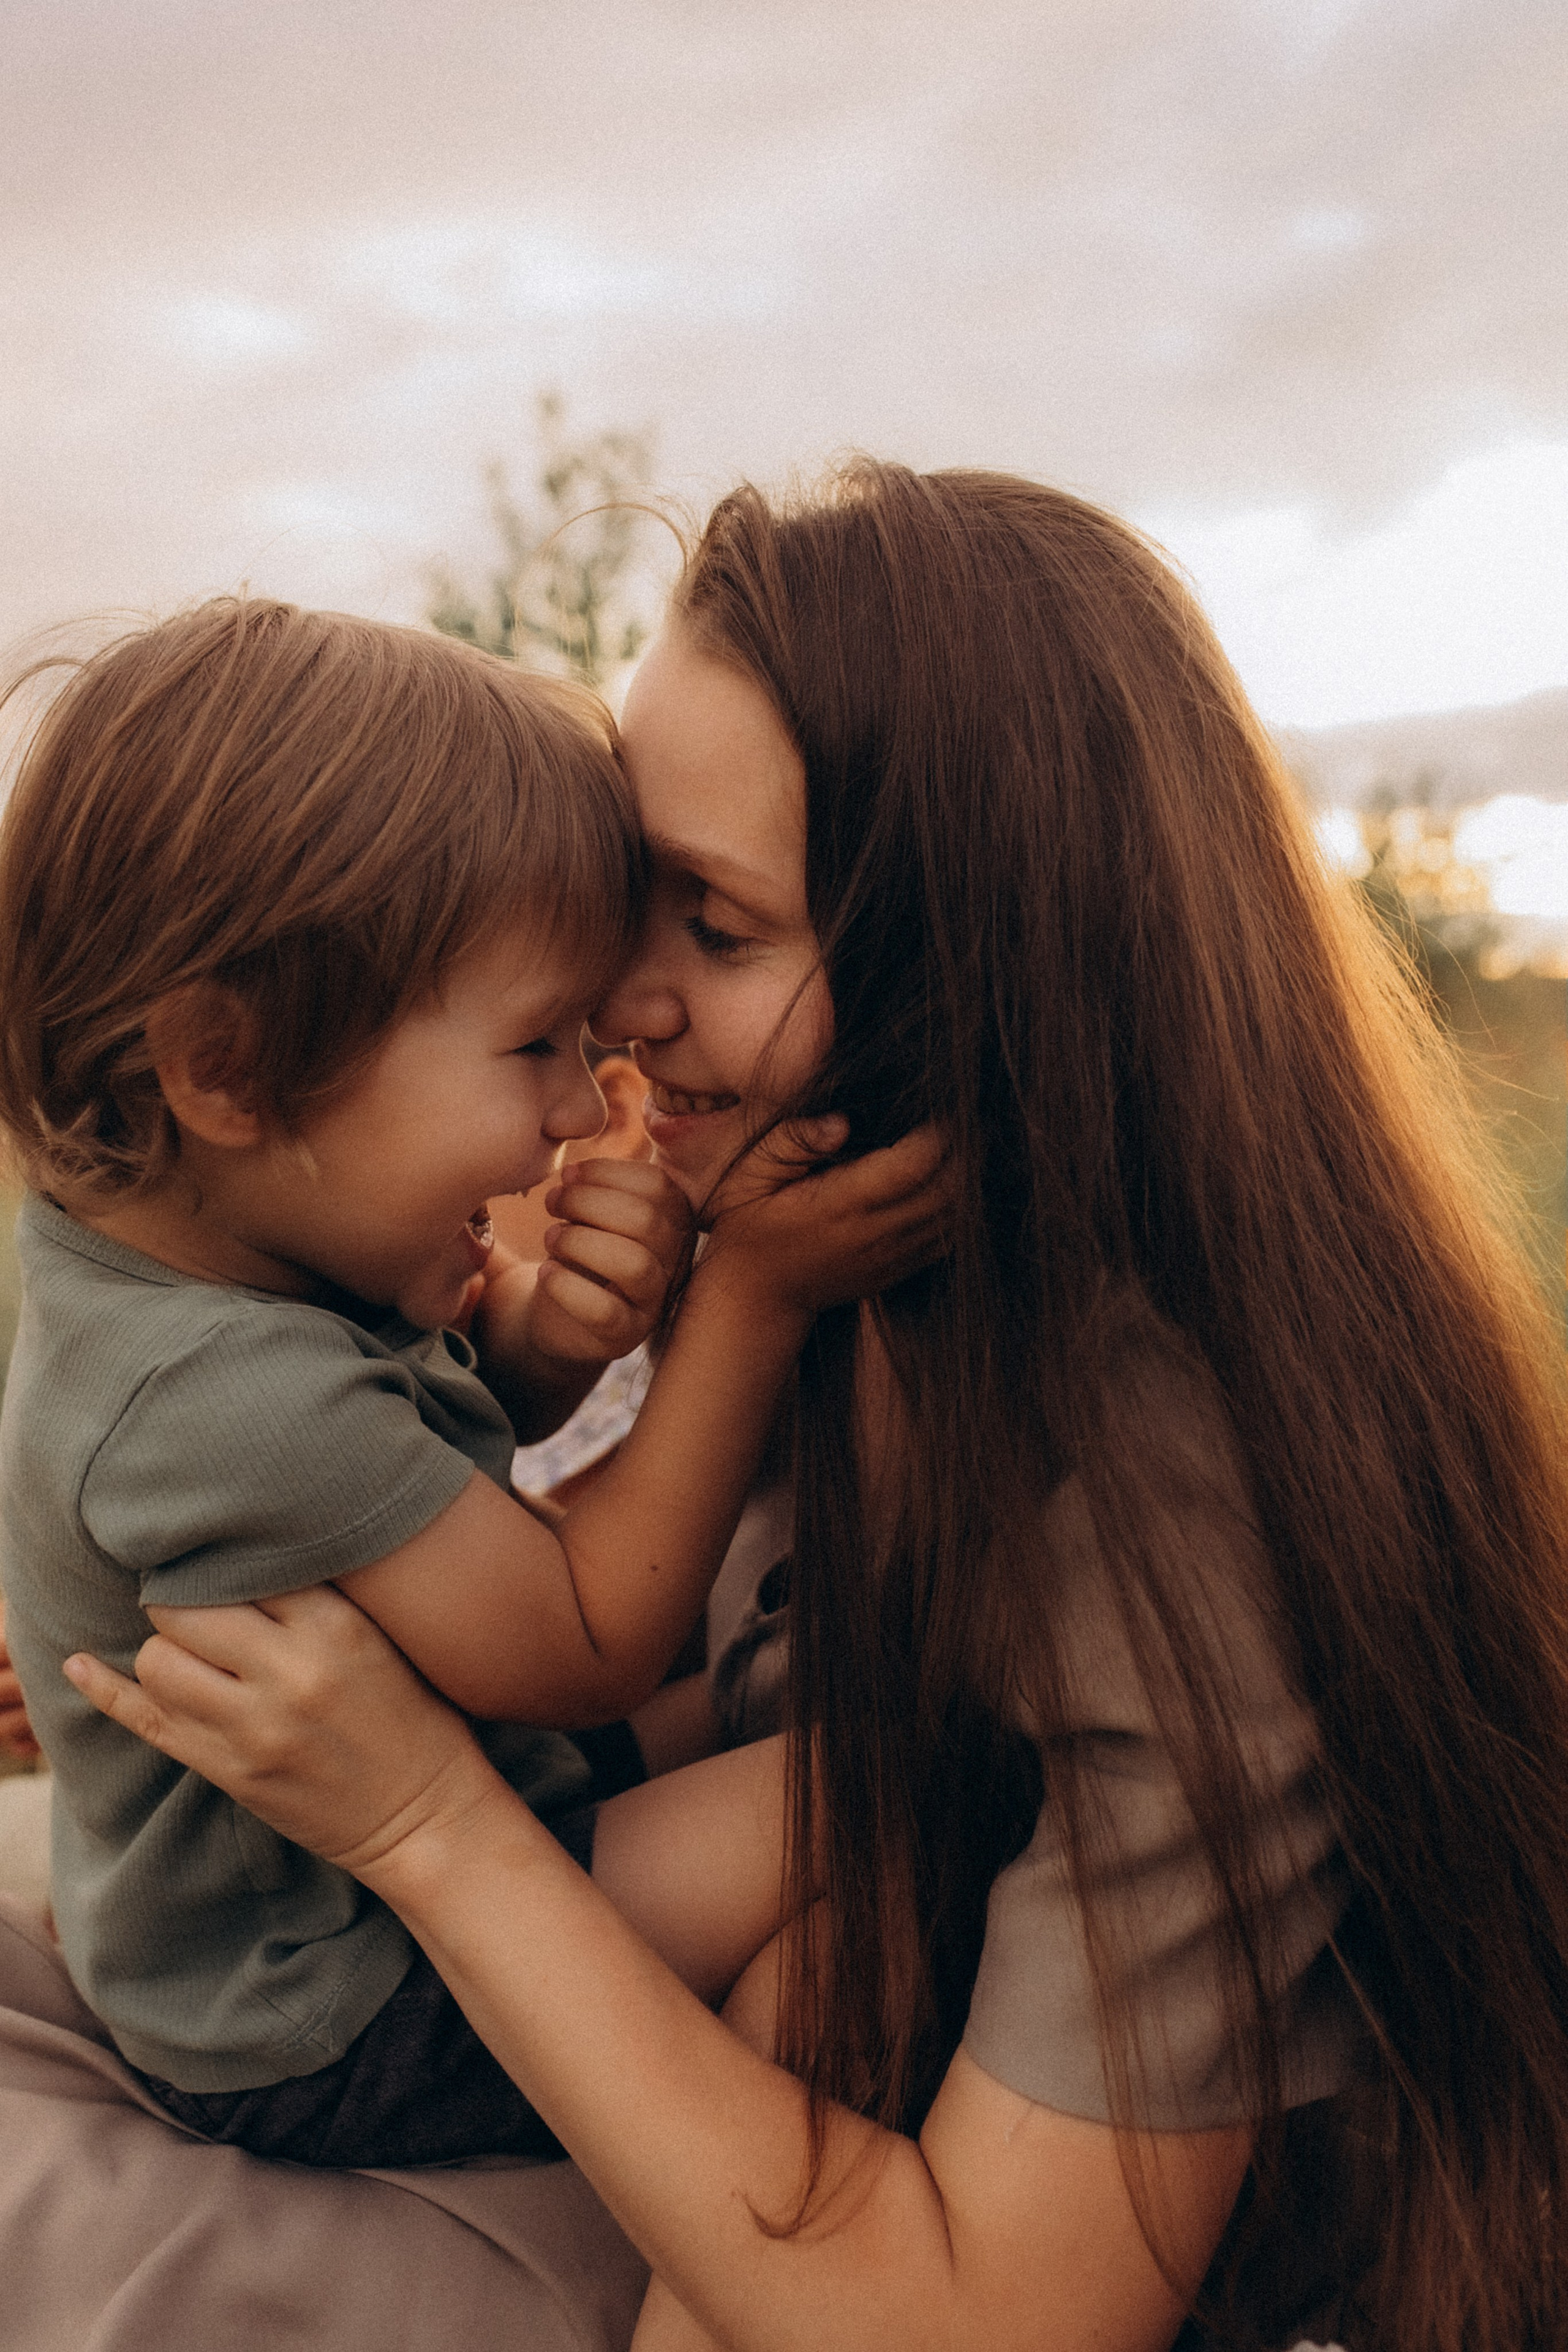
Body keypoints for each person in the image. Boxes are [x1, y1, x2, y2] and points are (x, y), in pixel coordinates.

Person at [56, 461, 1568, 2352]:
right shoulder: (827, 1257)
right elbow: (719, 1684)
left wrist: (426, 1818)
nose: (610, 997)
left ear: (988, 970)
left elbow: (983, 2322)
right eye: (631, 881)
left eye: (716, 924)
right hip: (713, 2095)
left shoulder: (1180, 1524)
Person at [0, 597, 945, 2171]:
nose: (587, 1108)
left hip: (393, 1819)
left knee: (793, 1701)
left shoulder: (184, 1248)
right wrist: (751, 1298)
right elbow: (584, 1638)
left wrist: (540, 1351)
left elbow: (385, 1480)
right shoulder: (215, 1400)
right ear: (226, 1069)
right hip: (335, 1999)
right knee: (899, 1786)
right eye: (534, 1049)